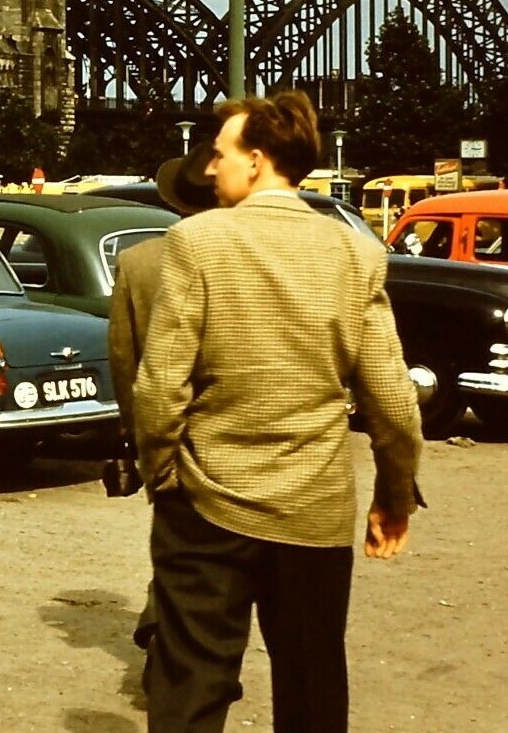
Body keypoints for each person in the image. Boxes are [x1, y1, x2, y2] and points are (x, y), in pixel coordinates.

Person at [134, 91, 424, 732]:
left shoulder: (196, 242)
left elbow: (160, 388)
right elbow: (392, 401)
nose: (210, 169)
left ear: (257, 160)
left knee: (190, 685)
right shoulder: (357, 253)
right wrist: (393, 496)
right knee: (313, 683)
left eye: (221, 155)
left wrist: (162, 473)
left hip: (206, 503)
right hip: (312, 511)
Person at [107, 143, 217, 656]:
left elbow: (124, 356)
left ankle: (165, 618)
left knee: (174, 537)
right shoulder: (245, 257)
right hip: (231, 425)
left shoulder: (137, 262)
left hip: (163, 426)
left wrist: (131, 435)